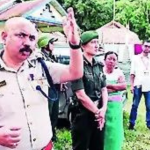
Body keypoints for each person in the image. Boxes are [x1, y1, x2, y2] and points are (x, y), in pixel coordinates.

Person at [0, 7, 83, 150]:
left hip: (45, 146)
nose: (28, 43)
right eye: (21, 35)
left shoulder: (42, 66)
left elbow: (75, 72)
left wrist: (74, 43)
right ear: (4, 37)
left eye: (32, 38)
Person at [71, 31, 108, 150]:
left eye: (97, 42)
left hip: (98, 111)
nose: (96, 45)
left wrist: (103, 109)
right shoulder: (77, 65)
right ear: (83, 46)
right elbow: (80, 95)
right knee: (80, 146)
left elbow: (104, 89)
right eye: (93, 42)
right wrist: (98, 112)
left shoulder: (99, 65)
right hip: (82, 113)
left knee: (98, 145)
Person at [37, 34, 60, 142]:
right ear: (45, 44)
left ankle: (52, 134)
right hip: (47, 88)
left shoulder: (53, 57)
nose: (53, 45)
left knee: (55, 113)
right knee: (48, 113)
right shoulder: (40, 57)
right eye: (51, 43)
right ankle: (46, 136)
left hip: (55, 88)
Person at [103, 51, 126, 150]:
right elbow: (100, 89)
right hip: (103, 105)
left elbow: (123, 86)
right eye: (109, 58)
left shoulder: (119, 72)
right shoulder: (100, 72)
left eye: (114, 59)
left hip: (115, 107)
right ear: (104, 60)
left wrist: (108, 86)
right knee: (104, 128)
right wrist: (115, 87)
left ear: (116, 62)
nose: (111, 61)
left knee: (115, 129)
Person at [129, 40, 150, 130]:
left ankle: (149, 123)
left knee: (149, 106)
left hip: (148, 85)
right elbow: (132, 73)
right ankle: (131, 124)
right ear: (142, 46)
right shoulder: (136, 58)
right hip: (138, 84)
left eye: (149, 47)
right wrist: (132, 85)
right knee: (135, 105)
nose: (147, 48)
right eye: (146, 46)